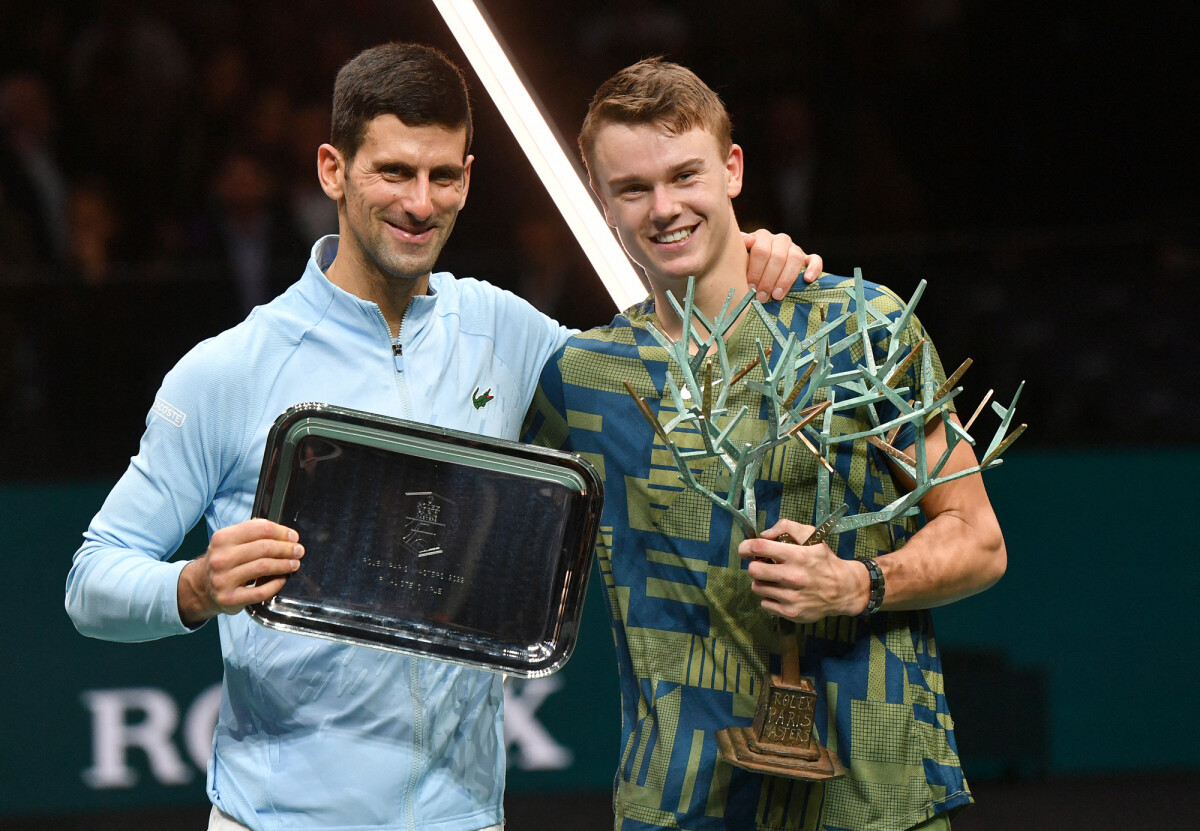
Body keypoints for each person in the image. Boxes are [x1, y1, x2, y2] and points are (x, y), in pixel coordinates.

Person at [64, 43, 819, 831]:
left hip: (463, 817)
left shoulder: (503, 330)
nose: (421, 203)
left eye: (443, 175)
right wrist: (191, 587)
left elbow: (664, 372)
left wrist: (750, 263)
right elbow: (92, 579)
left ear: (467, 176)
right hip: (276, 818)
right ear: (332, 169)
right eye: (393, 172)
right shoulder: (229, 369)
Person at [523, 59, 1006, 830]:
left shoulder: (860, 327)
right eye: (633, 188)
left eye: (685, 175)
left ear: (733, 170)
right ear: (601, 203)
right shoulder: (582, 379)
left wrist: (857, 583)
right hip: (679, 799)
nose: (664, 207)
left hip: (867, 794)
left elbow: (979, 539)